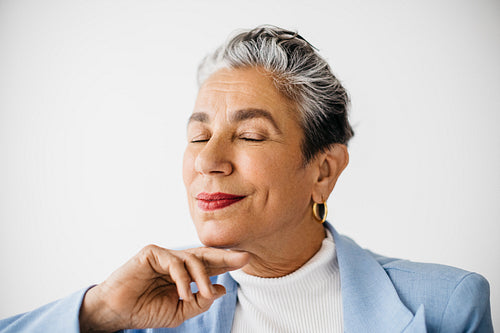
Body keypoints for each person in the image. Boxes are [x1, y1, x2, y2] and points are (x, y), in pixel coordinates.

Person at [0, 25, 493, 333]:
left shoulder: (444, 306)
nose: (209, 161)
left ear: (323, 170)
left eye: (251, 136)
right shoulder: (139, 315)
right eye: (198, 137)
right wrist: (99, 312)